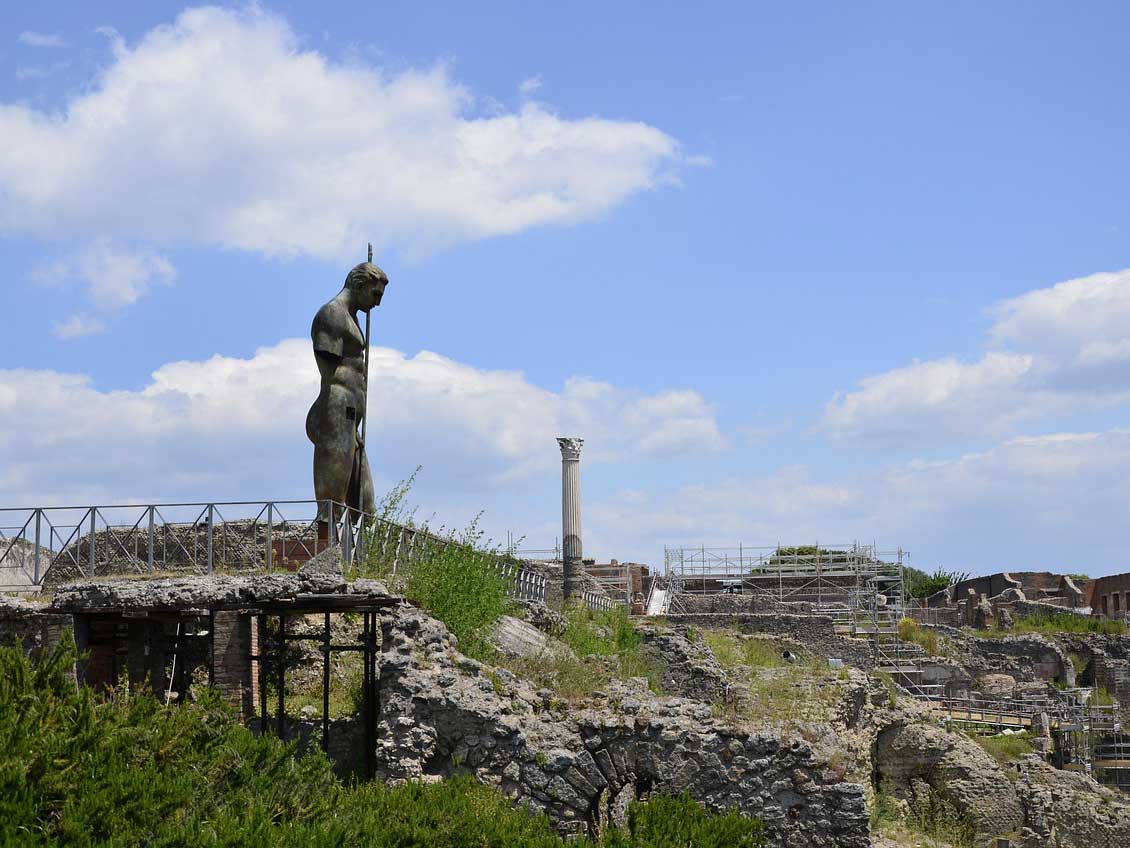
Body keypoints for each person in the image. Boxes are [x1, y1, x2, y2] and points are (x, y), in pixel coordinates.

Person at [305, 261, 388, 523]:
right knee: (332, 506)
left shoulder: (349, 317)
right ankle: (327, 550)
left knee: (366, 505)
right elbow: (330, 372)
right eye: (375, 294)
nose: (377, 304)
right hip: (337, 410)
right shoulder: (332, 314)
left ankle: (355, 557)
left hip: (350, 416)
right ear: (359, 285)